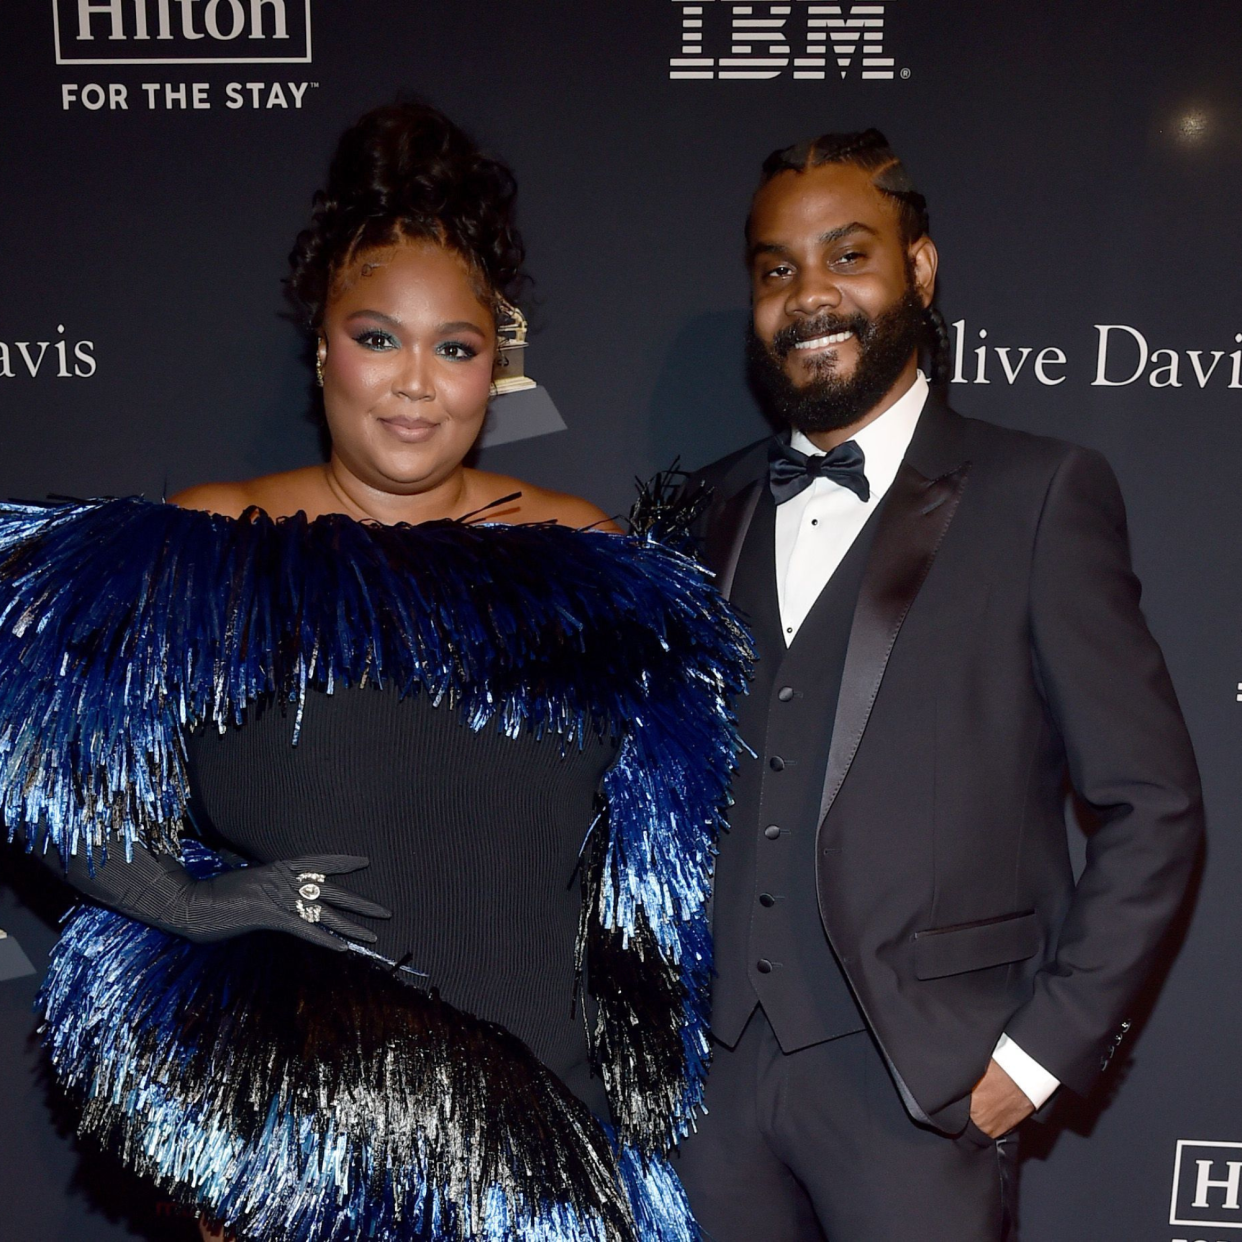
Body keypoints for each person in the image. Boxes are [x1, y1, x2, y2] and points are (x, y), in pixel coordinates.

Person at [3, 101, 750, 1242]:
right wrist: (196, 913)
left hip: (547, 1152)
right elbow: (38, 760)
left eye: (454, 348)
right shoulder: (216, 547)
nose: (414, 383)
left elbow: (646, 862)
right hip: (302, 1146)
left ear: (493, 366)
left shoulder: (590, 564)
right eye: (377, 337)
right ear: (321, 348)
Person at [672, 129, 1203, 1241]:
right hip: (707, 1088)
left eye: (846, 255)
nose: (809, 296)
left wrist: (1041, 1050)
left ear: (918, 268)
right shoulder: (700, 510)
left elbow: (1153, 806)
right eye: (777, 270)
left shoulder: (1040, 493)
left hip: (919, 1089)